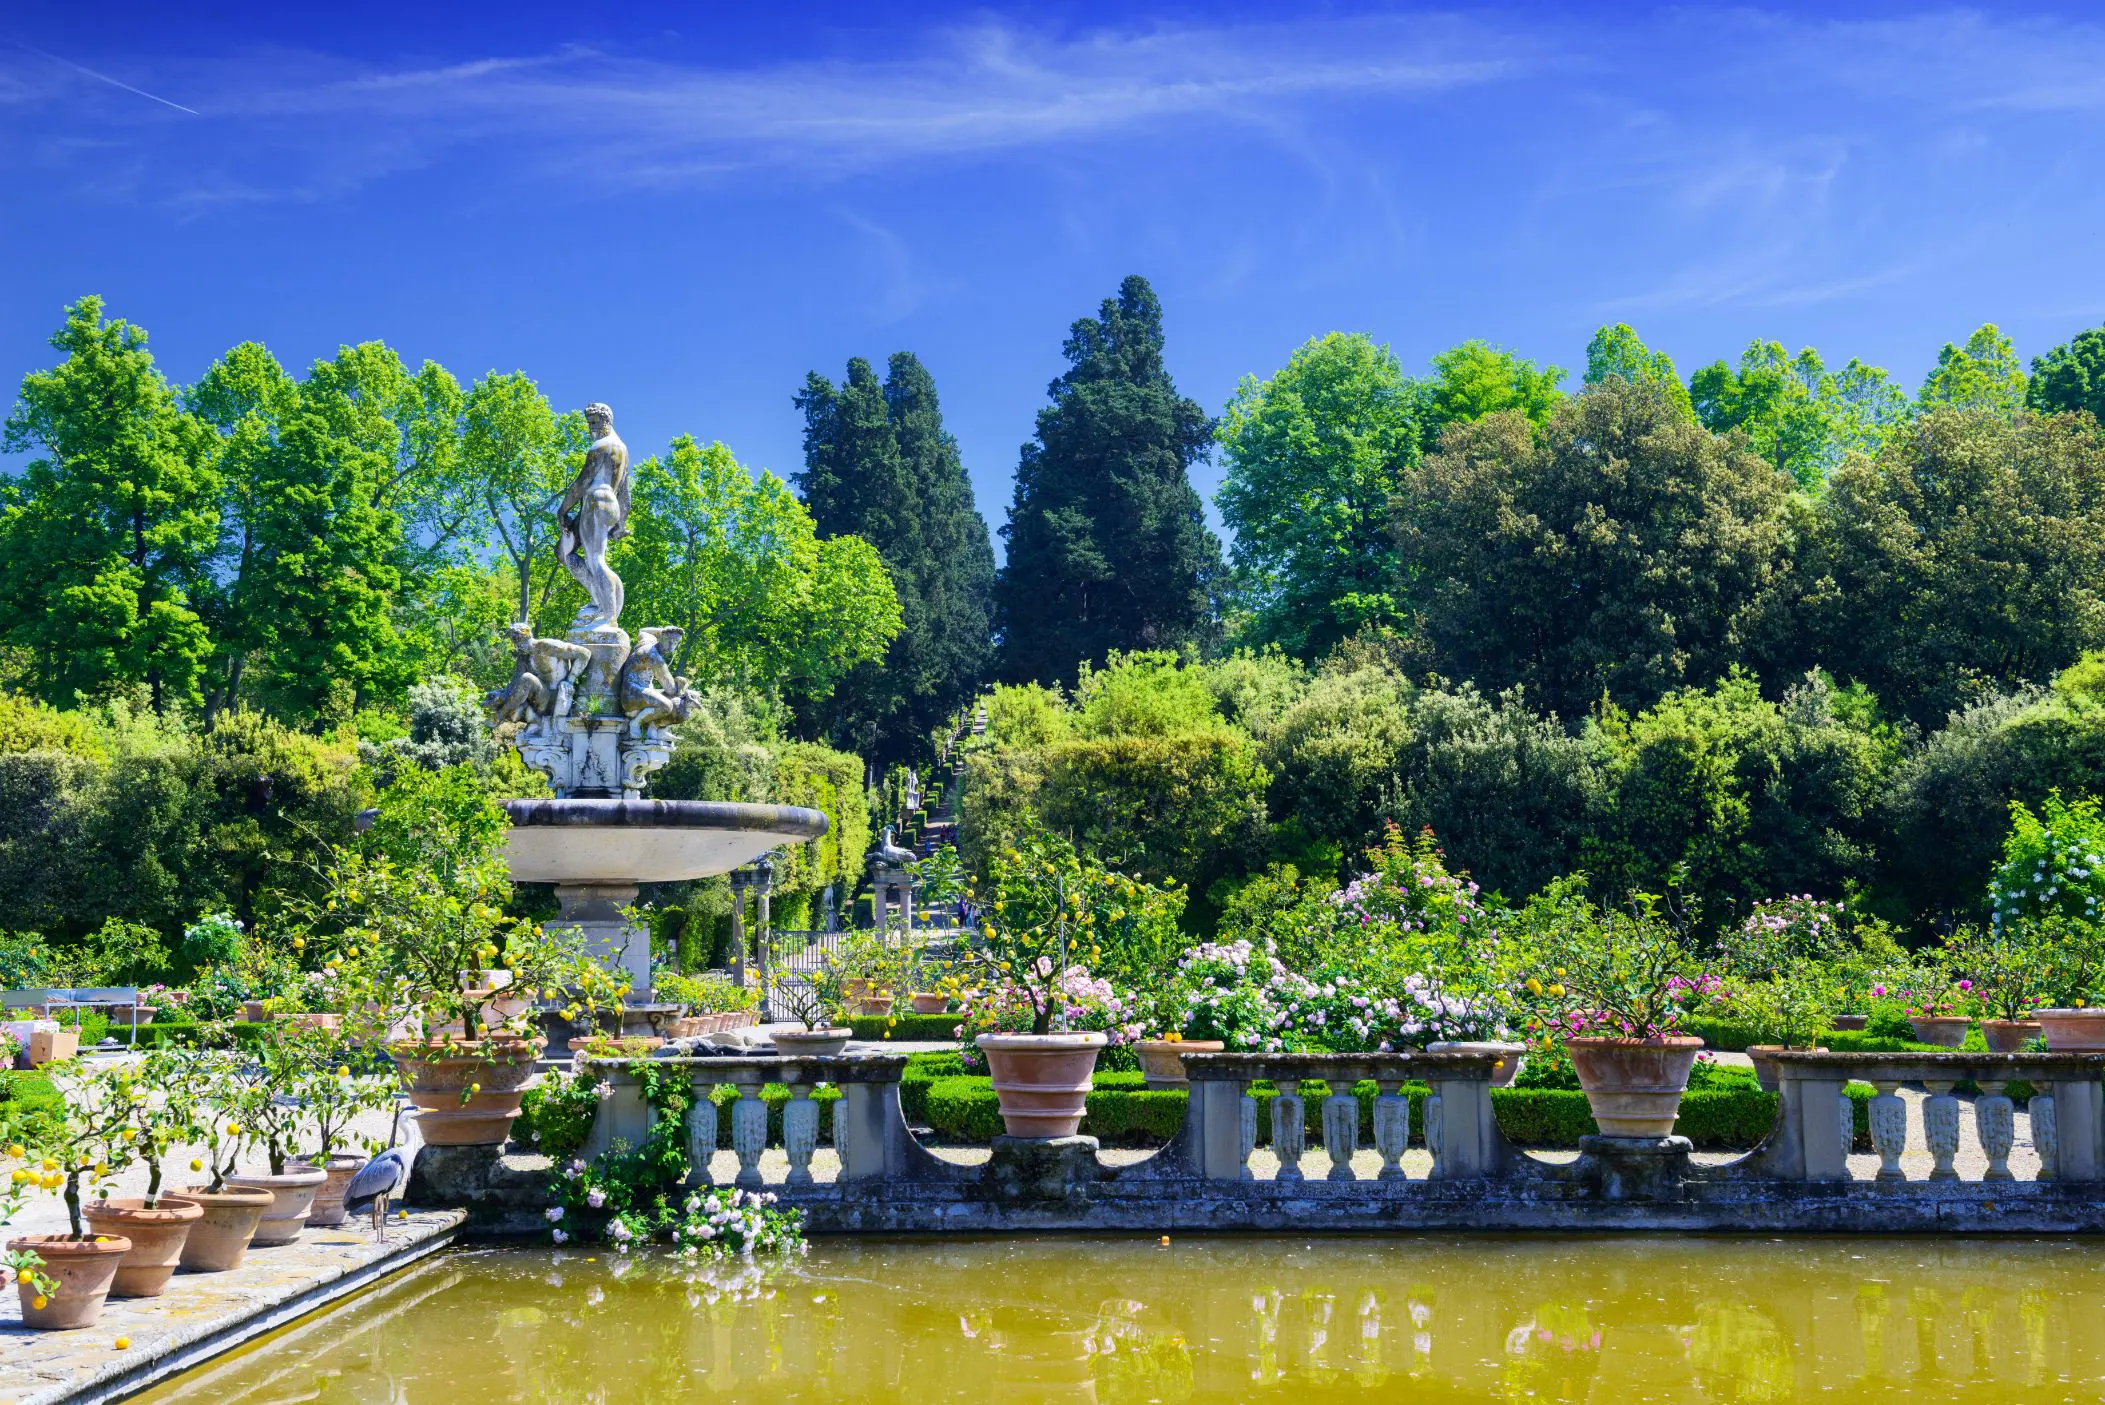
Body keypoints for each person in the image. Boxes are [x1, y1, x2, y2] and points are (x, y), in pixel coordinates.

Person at [557, 402, 630, 629]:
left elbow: (580, 484)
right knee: (562, 552)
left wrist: (562, 510)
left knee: (596, 559)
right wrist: (621, 522)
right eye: (590, 423)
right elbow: (626, 492)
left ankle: (608, 615)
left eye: (595, 422)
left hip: (596, 501)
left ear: (607, 420)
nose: (592, 427)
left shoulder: (600, 446)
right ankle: (600, 598)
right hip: (609, 505)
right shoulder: (622, 449)